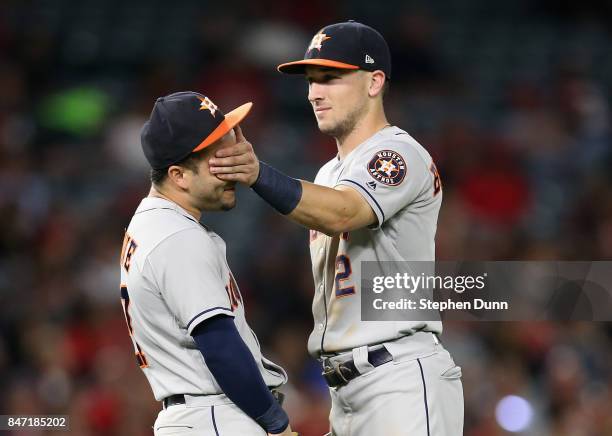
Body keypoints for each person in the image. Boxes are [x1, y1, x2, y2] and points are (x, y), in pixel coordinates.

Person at [208, 21, 464, 435]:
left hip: (398, 380)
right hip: (346, 392)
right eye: (311, 80)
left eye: (331, 77)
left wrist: (258, 175)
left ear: (374, 81)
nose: (314, 92)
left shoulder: (397, 152)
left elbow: (344, 212)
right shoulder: (329, 172)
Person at [119, 91, 296, 436]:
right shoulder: (176, 237)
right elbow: (220, 346)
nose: (232, 166)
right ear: (179, 175)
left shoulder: (153, 224)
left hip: (200, 415)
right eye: (218, 157)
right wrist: (278, 426)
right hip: (215, 416)